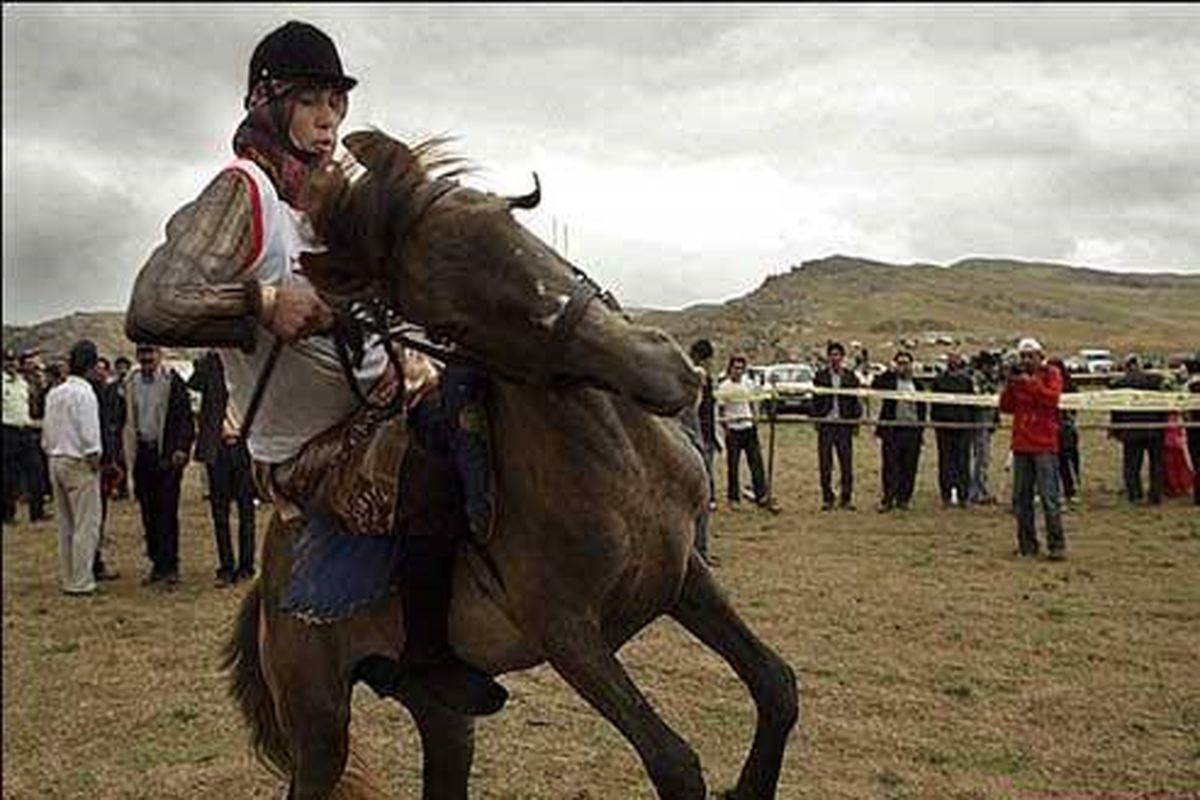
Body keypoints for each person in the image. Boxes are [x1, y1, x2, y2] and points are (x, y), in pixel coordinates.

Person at [123, 20, 505, 715]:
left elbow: (389, 307)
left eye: (337, 103)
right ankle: (425, 661)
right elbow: (153, 304)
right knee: (427, 480)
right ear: (267, 102)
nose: (329, 119)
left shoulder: (319, 203)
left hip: (371, 414)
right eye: (311, 101)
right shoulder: (243, 191)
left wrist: (412, 355)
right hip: (304, 452)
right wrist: (263, 300)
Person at [123, 343, 195, 589]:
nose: (146, 358)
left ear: (159, 354)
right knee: (148, 512)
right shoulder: (130, 382)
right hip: (143, 454)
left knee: (167, 511)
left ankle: (171, 567)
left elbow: (185, 418)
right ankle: (157, 564)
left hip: (167, 455)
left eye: (150, 352)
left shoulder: (172, 380)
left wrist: (181, 449)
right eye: (142, 353)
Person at [189, 349, 257, 586]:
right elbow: (194, 385)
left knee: (246, 511)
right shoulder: (210, 364)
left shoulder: (248, 364)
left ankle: (246, 566)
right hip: (218, 448)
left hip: (245, 446)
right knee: (220, 513)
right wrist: (205, 357)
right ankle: (226, 567)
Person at [41, 341, 104, 595]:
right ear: (91, 365)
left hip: (55, 458)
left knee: (65, 524)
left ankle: (69, 577)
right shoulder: (85, 393)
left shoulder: (55, 392)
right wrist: (95, 463)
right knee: (86, 524)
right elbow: (90, 436)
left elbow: (46, 433)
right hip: (79, 461)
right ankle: (81, 580)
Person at [999, 338, 1066, 560]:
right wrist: (1010, 383)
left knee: (1049, 497)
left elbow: (1051, 399)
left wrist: (1029, 382)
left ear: (1040, 355)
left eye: (1030, 356)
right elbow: (1006, 407)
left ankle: (1056, 545)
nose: (1026, 361)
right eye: (1023, 356)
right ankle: (1027, 545)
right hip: (1022, 443)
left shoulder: (1052, 373)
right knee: (1021, 498)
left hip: (1045, 443)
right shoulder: (1019, 379)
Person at [1108, 354, 1168, 505]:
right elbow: (1164, 405)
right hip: (1155, 428)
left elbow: (1116, 410)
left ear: (1128, 366)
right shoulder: (1155, 380)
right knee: (1156, 464)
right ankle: (1155, 495)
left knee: (1132, 465)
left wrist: (1116, 429)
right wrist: (1163, 424)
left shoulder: (1120, 383)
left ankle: (1135, 495)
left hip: (1131, 429)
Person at [871, 350, 926, 512]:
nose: (903, 366)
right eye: (900, 363)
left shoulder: (919, 386)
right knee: (890, 466)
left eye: (906, 363)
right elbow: (876, 385)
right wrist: (889, 371)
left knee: (909, 467)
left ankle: (904, 499)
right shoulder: (889, 382)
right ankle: (888, 499)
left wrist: (920, 431)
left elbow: (922, 410)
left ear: (911, 365)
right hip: (892, 431)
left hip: (912, 431)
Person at [812, 341, 863, 511]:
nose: (835, 358)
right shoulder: (820, 376)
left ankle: (846, 498)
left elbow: (856, 401)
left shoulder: (850, 377)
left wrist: (855, 422)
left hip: (844, 425)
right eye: (832, 354)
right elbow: (815, 400)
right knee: (825, 463)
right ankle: (827, 498)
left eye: (837, 355)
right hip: (826, 424)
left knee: (846, 463)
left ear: (842, 357)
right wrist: (817, 419)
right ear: (828, 357)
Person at [716, 354, 769, 508]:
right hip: (733, 430)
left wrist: (754, 418)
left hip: (749, 428)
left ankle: (761, 495)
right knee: (733, 466)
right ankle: (733, 498)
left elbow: (753, 402)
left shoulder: (748, 383)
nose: (738, 371)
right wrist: (725, 428)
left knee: (756, 463)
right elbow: (721, 409)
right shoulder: (724, 386)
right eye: (735, 368)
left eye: (741, 368)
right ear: (730, 368)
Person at [88, 356, 122, 581]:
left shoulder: (108, 394)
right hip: (91, 461)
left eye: (103, 370)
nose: (100, 373)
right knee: (89, 518)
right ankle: (91, 564)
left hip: (105, 460)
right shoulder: (86, 395)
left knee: (98, 516)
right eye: (96, 369)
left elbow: (114, 426)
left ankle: (95, 560)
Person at [688, 339, 721, 564]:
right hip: (698, 442)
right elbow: (694, 413)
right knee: (701, 497)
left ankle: (698, 550)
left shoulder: (698, 377)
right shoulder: (698, 378)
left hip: (704, 440)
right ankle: (698, 551)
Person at [930, 353, 976, 508]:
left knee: (963, 462)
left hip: (963, 428)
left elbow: (972, 403)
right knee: (945, 463)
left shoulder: (966, 381)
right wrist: (937, 422)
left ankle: (964, 496)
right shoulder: (939, 380)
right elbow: (934, 404)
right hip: (944, 428)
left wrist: (970, 423)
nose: (953, 362)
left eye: (956, 359)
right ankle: (946, 496)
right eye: (951, 359)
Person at [18, 351, 52, 522]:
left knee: (38, 471)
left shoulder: (39, 381)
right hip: (25, 428)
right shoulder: (20, 383)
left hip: (40, 428)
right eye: (30, 362)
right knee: (31, 470)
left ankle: (37, 510)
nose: (34, 365)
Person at [3, 348, 34, 525]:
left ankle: (36, 510)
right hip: (8, 431)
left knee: (32, 471)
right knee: (9, 475)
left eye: (13, 361)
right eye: (8, 361)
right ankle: (8, 513)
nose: (12, 364)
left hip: (25, 430)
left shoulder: (22, 383)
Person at [1047, 358, 1081, 505]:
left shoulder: (1068, 387)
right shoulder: (1050, 384)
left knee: (1065, 460)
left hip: (1065, 428)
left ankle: (1069, 489)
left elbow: (1073, 410)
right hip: (1052, 427)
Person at [111, 356, 133, 499]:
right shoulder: (112, 387)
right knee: (119, 458)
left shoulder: (133, 385)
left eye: (125, 367)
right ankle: (120, 487)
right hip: (117, 427)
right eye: (120, 367)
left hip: (131, 425)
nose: (122, 370)